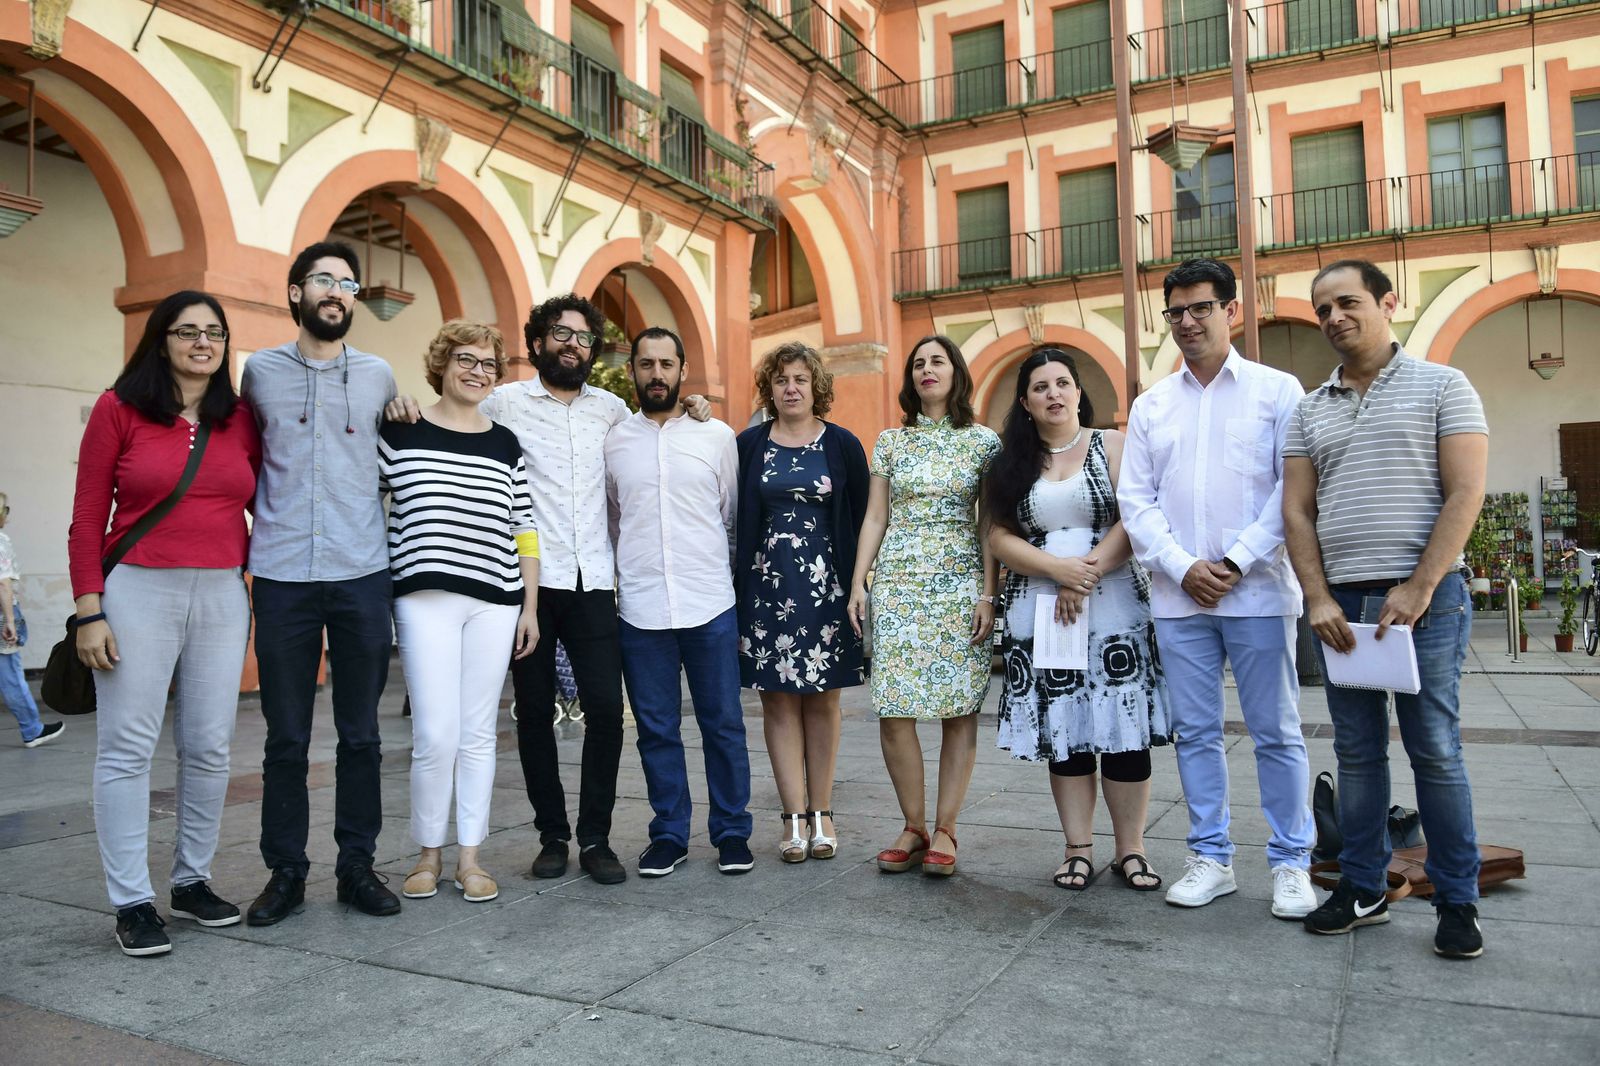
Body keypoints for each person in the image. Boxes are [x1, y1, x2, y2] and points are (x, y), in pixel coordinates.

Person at [1284, 259, 1489, 960]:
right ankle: (1364, 887)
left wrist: (1421, 586)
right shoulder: (1310, 408)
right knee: (1358, 755)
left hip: (1424, 603)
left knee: (1434, 750)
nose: (1333, 317)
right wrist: (1315, 596)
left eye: (1347, 302)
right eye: (1322, 310)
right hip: (1343, 607)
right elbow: (1297, 510)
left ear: (1387, 302)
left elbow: (1466, 493)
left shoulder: (1444, 385)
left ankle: (1458, 902)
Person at [1117, 257, 1317, 919]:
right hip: (1179, 602)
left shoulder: (1277, 391)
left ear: (1232, 310)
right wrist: (1182, 567)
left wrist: (1232, 561)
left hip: (1257, 591)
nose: (1187, 321)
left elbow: (1291, 490)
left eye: (1201, 308)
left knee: (1277, 732)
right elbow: (1136, 501)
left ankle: (1292, 862)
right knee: (1196, 734)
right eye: (1175, 311)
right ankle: (1211, 857)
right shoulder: (1152, 406)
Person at [68, 291, 260, 956]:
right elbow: (88, 514)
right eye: (187, 332)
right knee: (127, 748)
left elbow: (272, 498)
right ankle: (131, 900)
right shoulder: (117, 408)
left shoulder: (239, 419)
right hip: (137, 589)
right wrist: (88, 608)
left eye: (214, 333)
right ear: (162, 340)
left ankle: (191, 880)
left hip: (220, 592)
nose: (202, 343)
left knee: (209, 746)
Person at [243, 241, 402, 926]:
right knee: (286, 736)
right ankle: (285, 871)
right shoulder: (257, 373)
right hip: (281, 574)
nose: (337, 292)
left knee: (361, 733)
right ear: (295, 294)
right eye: (323, 281)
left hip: (362, 572)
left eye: (347, 282)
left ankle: (357, 866)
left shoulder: (378, 376)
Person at [988, 349, 1173, 891]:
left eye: (1062, 383)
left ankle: (1131, 850)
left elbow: (1134, 517)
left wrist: (1085, 575)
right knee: (1065, 734)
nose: (1054, 393)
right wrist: (1058, 571)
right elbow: (999, 536)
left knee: (1123, 734)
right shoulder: (1011, 463)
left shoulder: (1110, 444)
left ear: (1077, 390)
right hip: (1040, 613)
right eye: (1040, 387)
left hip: (1115, 610)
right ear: (1025, 402)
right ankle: (1077, 849)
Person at [381, 321, 540, 905]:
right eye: (466, 361)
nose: (478, 372)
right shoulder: (400, 430)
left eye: (489, 365)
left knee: (477, 733)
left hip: (496, 601)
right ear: (442, 366)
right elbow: (368, 503)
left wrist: (531, 603)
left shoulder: (504, 442)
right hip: (422, 599)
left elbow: (524, 527)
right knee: (434, 732)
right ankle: (428, 854)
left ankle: (470, 857)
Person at [847, 335, 1000, 877]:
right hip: (899, 584)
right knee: (894, 709)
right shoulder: (890, 441)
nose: (926, 370)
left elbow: (990, 523)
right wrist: (859, 581)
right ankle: (912, 825)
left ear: (956, 372)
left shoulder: (984, 442)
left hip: (960, 585)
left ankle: (946, 829)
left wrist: (988, 592)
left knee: (959, 710)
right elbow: (875, 517)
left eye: (937, 361)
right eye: (918, 363)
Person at [606, 327, 753, 877]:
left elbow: (732, 518)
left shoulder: (716, 436)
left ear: (682, 368)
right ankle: (669, 833)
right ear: (633, 372)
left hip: (709, 601)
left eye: (667, 364)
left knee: (723, 723)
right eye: (646, 364)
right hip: (641, 607)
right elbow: (614, 517)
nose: (657, 374)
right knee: (656, 729)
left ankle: (732, 832)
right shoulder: (616, 440)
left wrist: (732, 591)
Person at [735, 342, 867, 863]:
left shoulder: (842, 444)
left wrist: (859, 586)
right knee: (777, 700)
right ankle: (792, 816)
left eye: (800, 380)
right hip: (766, 589)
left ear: (816, 388)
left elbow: (861, 518)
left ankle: (823, 811)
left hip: (827, 589)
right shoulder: (748, 445)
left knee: (825, 699)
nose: (791, 388)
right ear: (769, 388)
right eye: (781, 380)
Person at [0, 493, 64, 748]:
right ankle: (32, 729)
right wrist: (9, 621)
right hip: (2, 614)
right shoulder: (1, 541)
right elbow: (3, 584)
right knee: (11, 677)